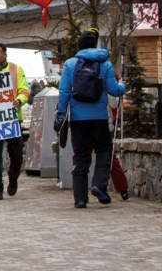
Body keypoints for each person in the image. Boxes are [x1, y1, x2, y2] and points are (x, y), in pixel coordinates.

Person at [54, 30, 126, 208]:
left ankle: (80, 198)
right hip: (99, 117)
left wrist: (61, 114)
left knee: (80, 156)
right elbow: (114, 90)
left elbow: (64, 92)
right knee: (104, 151)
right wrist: (123, 85)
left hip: (78, 119)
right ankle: (98, 185)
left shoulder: (70, 64)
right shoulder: (105, 64)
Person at [0, 43, 30, 200]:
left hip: (12, 119)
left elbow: (24, 90)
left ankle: (13, 177)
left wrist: (19, 100)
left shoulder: (16, 70)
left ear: (5, 55)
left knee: (16, 155)